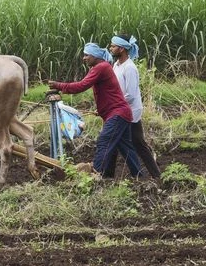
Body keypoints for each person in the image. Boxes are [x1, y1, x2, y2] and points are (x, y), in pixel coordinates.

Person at [46, 43, 143, 178]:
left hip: (118, 113)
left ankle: (95, 173)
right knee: (126, 148)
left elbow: (81, 86)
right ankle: (139, 177)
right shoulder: (102, 67)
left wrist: (59, 85)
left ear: (95, 56)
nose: (84, 58)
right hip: (120, 112)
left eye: (87, 55)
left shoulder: (101, 67)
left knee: (104, 140)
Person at [106, 33, 161, 178]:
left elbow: (130, 95)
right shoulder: (116, 65)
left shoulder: (129, 68)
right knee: (129, 142)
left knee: (127, 142)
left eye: (113, 46)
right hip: (120, 109)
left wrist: (113, 105)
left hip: (129, 111)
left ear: (122, 49)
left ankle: (149, 175)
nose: (110, 48)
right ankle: (109, 175)